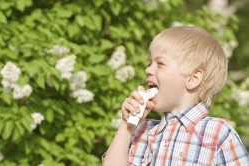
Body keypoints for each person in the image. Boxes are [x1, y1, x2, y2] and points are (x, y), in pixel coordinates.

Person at [102, 26, 249, 166]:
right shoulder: (142, 130)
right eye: (149, 63)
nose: (148, 70)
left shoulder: (218, 133)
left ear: (192, 79)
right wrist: (127, 124)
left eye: (160, 64)